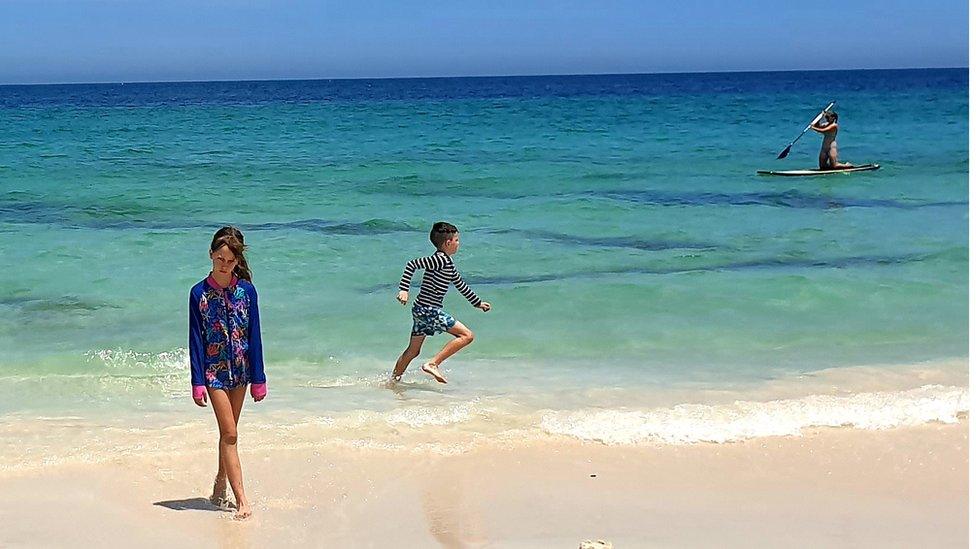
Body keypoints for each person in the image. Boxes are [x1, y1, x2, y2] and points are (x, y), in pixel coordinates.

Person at [189, 226, 267, 520]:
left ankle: (220, 482)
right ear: (211, 255)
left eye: (230, 260)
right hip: (214, 374)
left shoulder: (247, 291)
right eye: (219, 258)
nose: (224, 264)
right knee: (231, 433)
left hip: (243, 372)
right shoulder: (198, 293)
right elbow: (195, 339)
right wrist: (197, 382)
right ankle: (242, 499)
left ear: (237, 261)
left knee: (228, 433)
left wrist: (259, 378)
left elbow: (255, 335)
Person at [391, 222, 491, 385]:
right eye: (457, 240)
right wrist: (403, 290)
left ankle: (393, 381)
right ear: (448, 243)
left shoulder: (448, 264)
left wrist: (478, 303)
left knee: (413, 351)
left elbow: (461, 285)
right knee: (467, 336)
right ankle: (433, 363)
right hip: (428, 310)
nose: (459, 243)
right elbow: (412, 265)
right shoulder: (439, 260)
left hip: (420, 310)